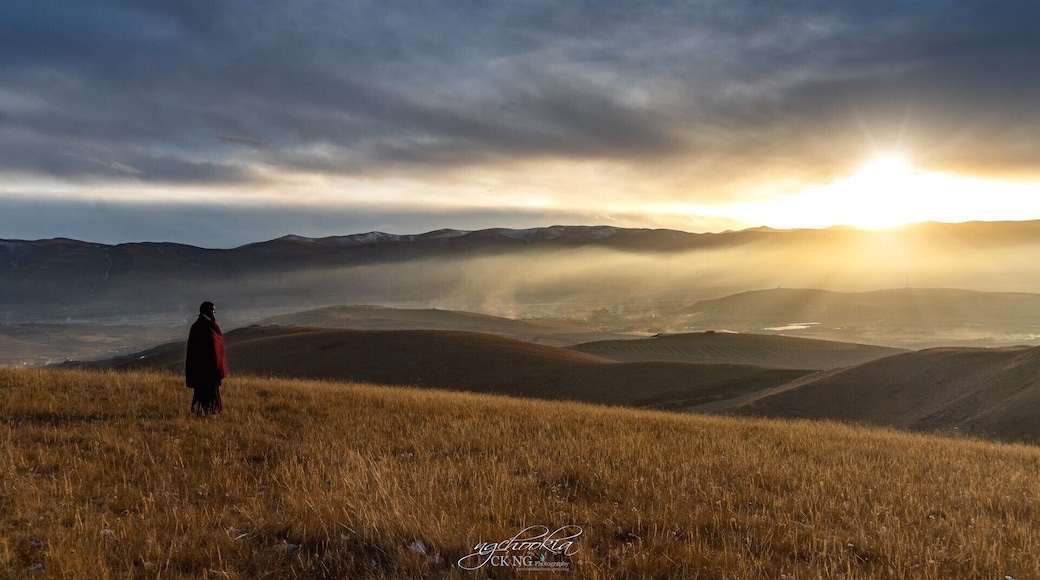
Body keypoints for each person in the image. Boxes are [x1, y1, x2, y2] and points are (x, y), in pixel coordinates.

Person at [185, 301, 229, 415]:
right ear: (208, 311)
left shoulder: (203, 325)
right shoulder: (201, 327)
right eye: (213, 310)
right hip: (204, 369)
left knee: (206, 392)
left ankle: (205, 412)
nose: (214, 313)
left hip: (207, 369)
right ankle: (206, 413)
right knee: (205, 392)